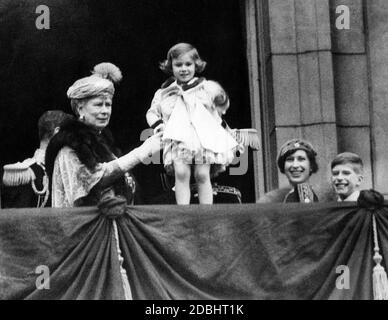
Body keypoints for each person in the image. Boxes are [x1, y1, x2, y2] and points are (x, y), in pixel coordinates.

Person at [45, 62, 162, 208]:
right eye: (99, 104)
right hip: (84, 228)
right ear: (80, 108)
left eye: (108, 105)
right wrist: (141, 153)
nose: (105, 111)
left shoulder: (103, 143)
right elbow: (93, 181)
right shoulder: (69, 146)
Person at [146, 43, 239, 204]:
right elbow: (152, 112)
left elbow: (221, 106)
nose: (184, 69)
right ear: (171, 66)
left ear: (196, 65)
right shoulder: (164, 92)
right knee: (181, 173)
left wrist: (221, 99)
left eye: (188, 64)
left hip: (201, 140)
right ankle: (184, 211)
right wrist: (159, 125)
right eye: (178, 65)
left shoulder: (206, 87)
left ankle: (205, 212)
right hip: (178, 139)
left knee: (202, 175)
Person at [1, 110, 72, 208]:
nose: (75, 143)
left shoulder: (66, 172)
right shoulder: (23, 175)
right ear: (58, 133)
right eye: (72, 137)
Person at [258, 138, 319, 203]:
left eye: (301, 159)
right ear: (283, 166)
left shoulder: (323, 197)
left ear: (311, 166)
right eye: (290, 159)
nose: (295, 165)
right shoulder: (270, 200)